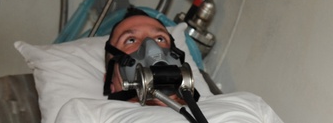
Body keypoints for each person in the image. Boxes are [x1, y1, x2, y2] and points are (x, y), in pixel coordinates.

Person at [55, 10, 284, 123]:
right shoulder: (85, 113)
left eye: (161, 38)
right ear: (111, 79)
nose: (151, 47)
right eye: (131, 40)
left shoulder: (247, 102)